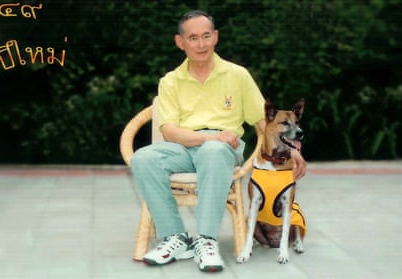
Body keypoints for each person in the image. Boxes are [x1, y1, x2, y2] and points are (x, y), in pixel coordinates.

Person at [130, 10, 306, 273]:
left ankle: (206, 240)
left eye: (206, 36)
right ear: (180, 42)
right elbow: (169, 132)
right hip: (183, 147)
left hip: (225, 150)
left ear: (216, 37)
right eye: (193, 38)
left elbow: (263, 122)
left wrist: (290, 149)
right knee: (143, 158)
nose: (200, 44)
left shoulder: (237, 75)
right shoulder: (170, 81)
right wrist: (210, 136)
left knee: (213, 151)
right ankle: (176, 237)